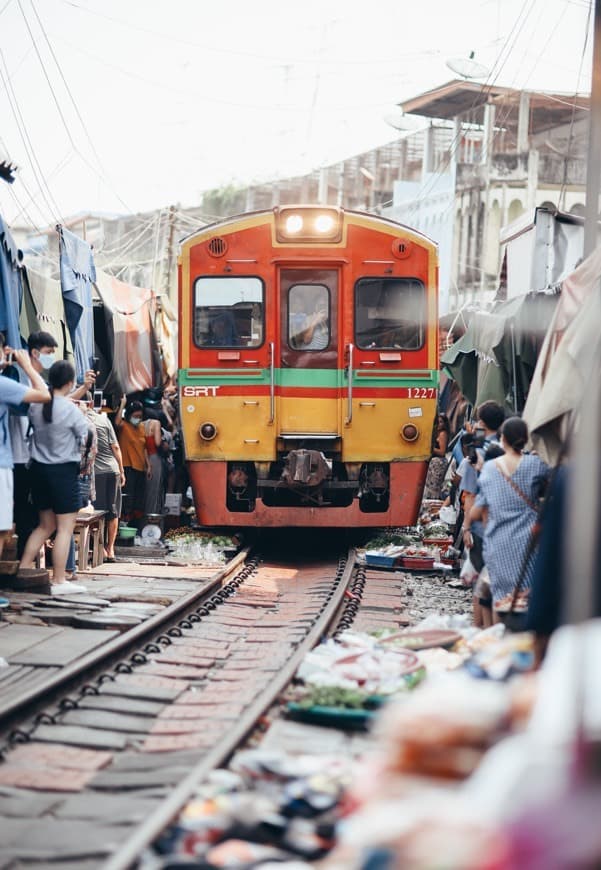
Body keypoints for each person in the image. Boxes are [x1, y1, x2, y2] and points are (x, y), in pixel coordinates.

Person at [467, 417, 549, 627]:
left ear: (502, 439)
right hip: (528, 543)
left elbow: (478, 510)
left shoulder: (490, 469)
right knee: (526, 597)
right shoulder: (536, 465)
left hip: (498, 542)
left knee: (500, 598)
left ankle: (499, 644)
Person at [20, 361, 89, 594]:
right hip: (63, 472)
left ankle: (23, 569)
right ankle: (59, 580)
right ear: (70, 383)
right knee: (64, 528)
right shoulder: (70, 409)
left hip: (39, 471)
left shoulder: (37, 406)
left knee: (44, 525)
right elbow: (85, 437)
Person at [0, 341, 50, 562]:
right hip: (4, 463)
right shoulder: (3, 385)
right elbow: (44, 395)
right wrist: (26, 366)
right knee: (3, 527)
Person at [87, 399, 125, 562]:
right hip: (112, 470)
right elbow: (115, 447)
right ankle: (110, 550)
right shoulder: (104, 420)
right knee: (113, 511)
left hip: (95, 473)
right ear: (90, 403)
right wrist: (122, 470)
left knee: (96, 511)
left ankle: (100, 548)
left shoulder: (80, 420)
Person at [115, 397, 149, 525]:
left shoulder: (141, 427)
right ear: (129, 415)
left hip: (140, 467)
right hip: (127, 466)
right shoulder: (124, 426)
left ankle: (136, 524)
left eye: (140, 416)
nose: (138, 418)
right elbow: (117, 422)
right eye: (135, 416)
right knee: (128, 497)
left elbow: (144, 447)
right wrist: (122, 404)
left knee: (139, 498)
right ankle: (125, 523)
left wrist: (148, 466)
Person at [423, 413, 450, 500]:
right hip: (434, 463)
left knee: (434, 488)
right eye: (437, 422)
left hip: (439, 464)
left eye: (441, 422)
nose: (439, 424)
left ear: (445, 423)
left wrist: (430, 448)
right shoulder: (436, 433)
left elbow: (442, 452)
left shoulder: (443, 434)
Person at [143, 412, 164, 515]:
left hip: (144, 458)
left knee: (146, 490)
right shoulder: (156, 423)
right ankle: (152, 516)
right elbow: (157, 442)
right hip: (154, 457)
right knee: (154, 490)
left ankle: (145, 516)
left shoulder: (142, 424)